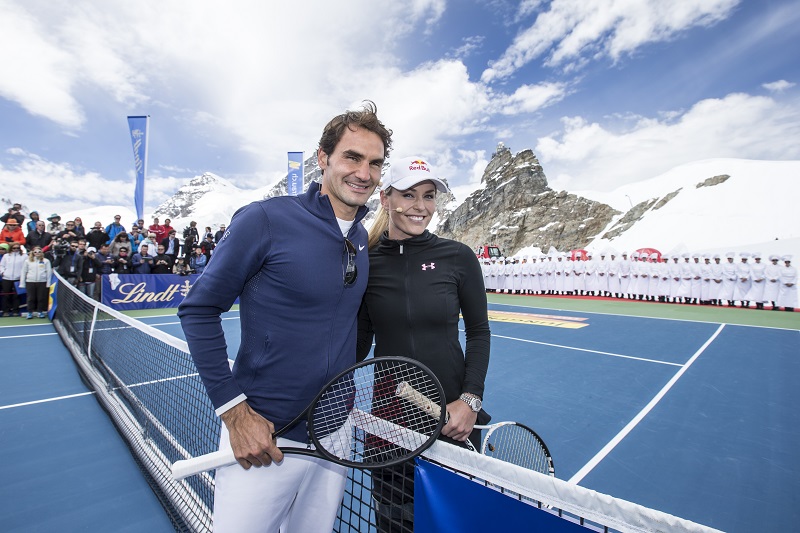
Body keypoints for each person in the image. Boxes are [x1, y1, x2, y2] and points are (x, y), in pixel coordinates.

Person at [178, 101, 391, 532]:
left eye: (375, 163)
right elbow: (198, 309)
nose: (363, 173)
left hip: (334, 436)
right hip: (264, 438)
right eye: (352, 157)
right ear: (323, 158)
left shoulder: (361, 239)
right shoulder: (265, 219)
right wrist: (235, 414)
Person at [356, 157, 491, 532]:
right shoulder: (367, 262)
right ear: (386, 199)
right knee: (395, 523)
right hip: (388, 421)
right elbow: (359, 341)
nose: (420, 206)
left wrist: (470, 400)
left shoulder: (458, 257)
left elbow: (479, 331)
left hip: (454, 418)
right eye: (409, 195)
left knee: (454, 522)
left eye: (429, 196)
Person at [19, 247, 52, 318]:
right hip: (30, 282)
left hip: (42, 282)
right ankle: (30, 312)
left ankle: (40, 312)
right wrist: (22, 283)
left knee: (41, 298)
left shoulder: (46, 261)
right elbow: (23, 272)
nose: (37, 253)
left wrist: (48, 283)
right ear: (32, 253)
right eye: (35, 252)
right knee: (30, 298)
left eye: (39, 252)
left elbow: (48, 273)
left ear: (41, 253)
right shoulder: (27, 261)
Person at [0, 243, 27, 316]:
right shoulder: (6, 256)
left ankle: (15, 311)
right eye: (14, 248)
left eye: (17, 248)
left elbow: (26, 266)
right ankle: (6, 311)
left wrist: (22, 275)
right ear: (11, 248)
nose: (16, 249)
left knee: (16, 295)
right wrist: (3, 272)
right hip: (6, 278)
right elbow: (1, 265)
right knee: (6, 295)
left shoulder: (24, 256)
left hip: (18, 278)